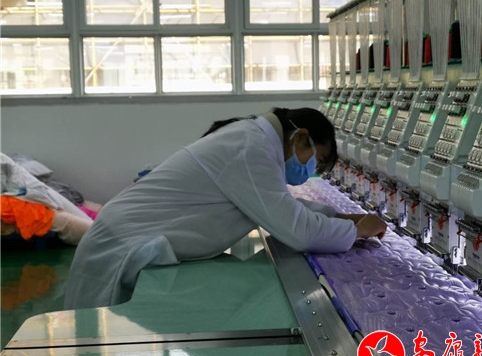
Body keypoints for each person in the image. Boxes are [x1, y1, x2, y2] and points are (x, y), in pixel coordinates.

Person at [64, 107, 387, 309]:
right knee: (94, 338)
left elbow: (277, 204)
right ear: (300, 138)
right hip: (120, 246)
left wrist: (338, 217)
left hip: (127, 236)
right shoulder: (251, 148)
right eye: (315, 159)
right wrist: (358, 229)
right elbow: (298, 231)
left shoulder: (254, 141)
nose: (311, 168)